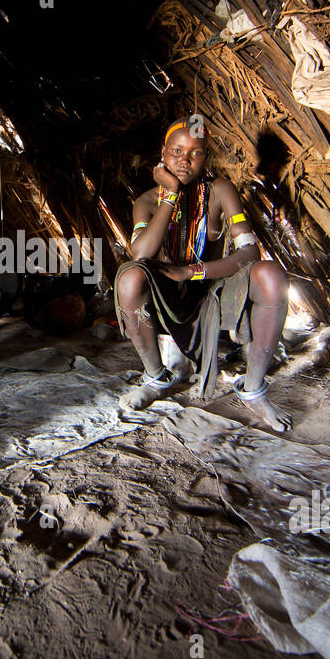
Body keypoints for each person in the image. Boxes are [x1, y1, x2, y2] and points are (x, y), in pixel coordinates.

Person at [113, 117, 292, 431]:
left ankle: (254, 391)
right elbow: (141, 254)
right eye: (177, 151)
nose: (184, 159)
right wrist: (170, 194)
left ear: (206, 158)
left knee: (271, 275)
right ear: (163, 154)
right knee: (130, 277)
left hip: (213, 292)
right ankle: (156, 378)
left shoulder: (220, 190)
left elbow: (248, 253)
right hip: (165, 299)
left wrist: (192, 271)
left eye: (195, 153)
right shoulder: (146, 202)